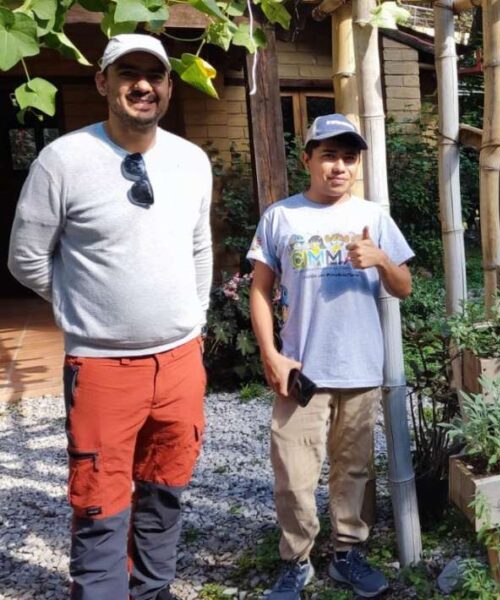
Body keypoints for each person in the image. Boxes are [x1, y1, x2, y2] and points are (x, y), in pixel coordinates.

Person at [7, 34, 212, 599]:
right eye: (128, 74)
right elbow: (25, 258)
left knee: (165, 486)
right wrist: (82, 304)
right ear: (103, 82)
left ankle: (152, 588)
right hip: (101, 366)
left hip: (179, 362)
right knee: (99, 496)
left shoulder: (191, 161)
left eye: (155, 75)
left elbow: (200, 248)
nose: (142, 85)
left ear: (169, 86)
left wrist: (193, 319)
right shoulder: (64, 160)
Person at [247, 114, 413, 599]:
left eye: (348, 157)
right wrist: (272, 355)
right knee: (294, 475)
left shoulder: (374, 215)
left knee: (353, 470)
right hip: (301, 369)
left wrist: (381, 260)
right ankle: (295, 561)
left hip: (360, 366)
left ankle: (346, 554)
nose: (339, 166)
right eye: (328, 155)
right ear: (308, 160)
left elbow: (403, 286)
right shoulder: (282, 217)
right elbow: (259, 291)